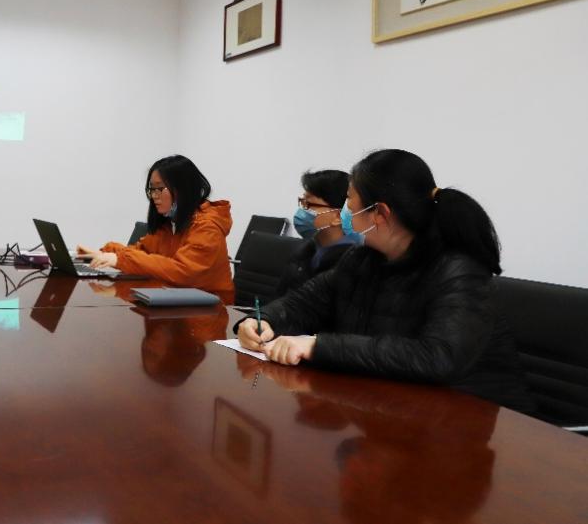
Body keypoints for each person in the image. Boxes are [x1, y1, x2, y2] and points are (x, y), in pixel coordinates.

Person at [237, 149, 532, 412]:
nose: (345, 213)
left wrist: (318, 346)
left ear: (379, 213)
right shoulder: (362, 260)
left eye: (349, 203)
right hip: (391, 406)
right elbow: (305, 303)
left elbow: (437, 357)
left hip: (471, 419)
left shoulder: (459, 272)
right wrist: (264, 321)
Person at [77, 155, 234, 303]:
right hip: (173, 299)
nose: (154, 196)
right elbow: (141, 251)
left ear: (183, 189)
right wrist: (105, 253)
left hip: (210, 310)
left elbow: (183, 272)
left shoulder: (207, 227)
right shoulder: (170, 224)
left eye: (159, 188)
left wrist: (119, 259)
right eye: (151, 189)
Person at [278, 169, 360, 296]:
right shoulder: (304, 252)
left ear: (338, 217)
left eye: (309, 204)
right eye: (302, 202)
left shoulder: (353, 264)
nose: (301, 211)